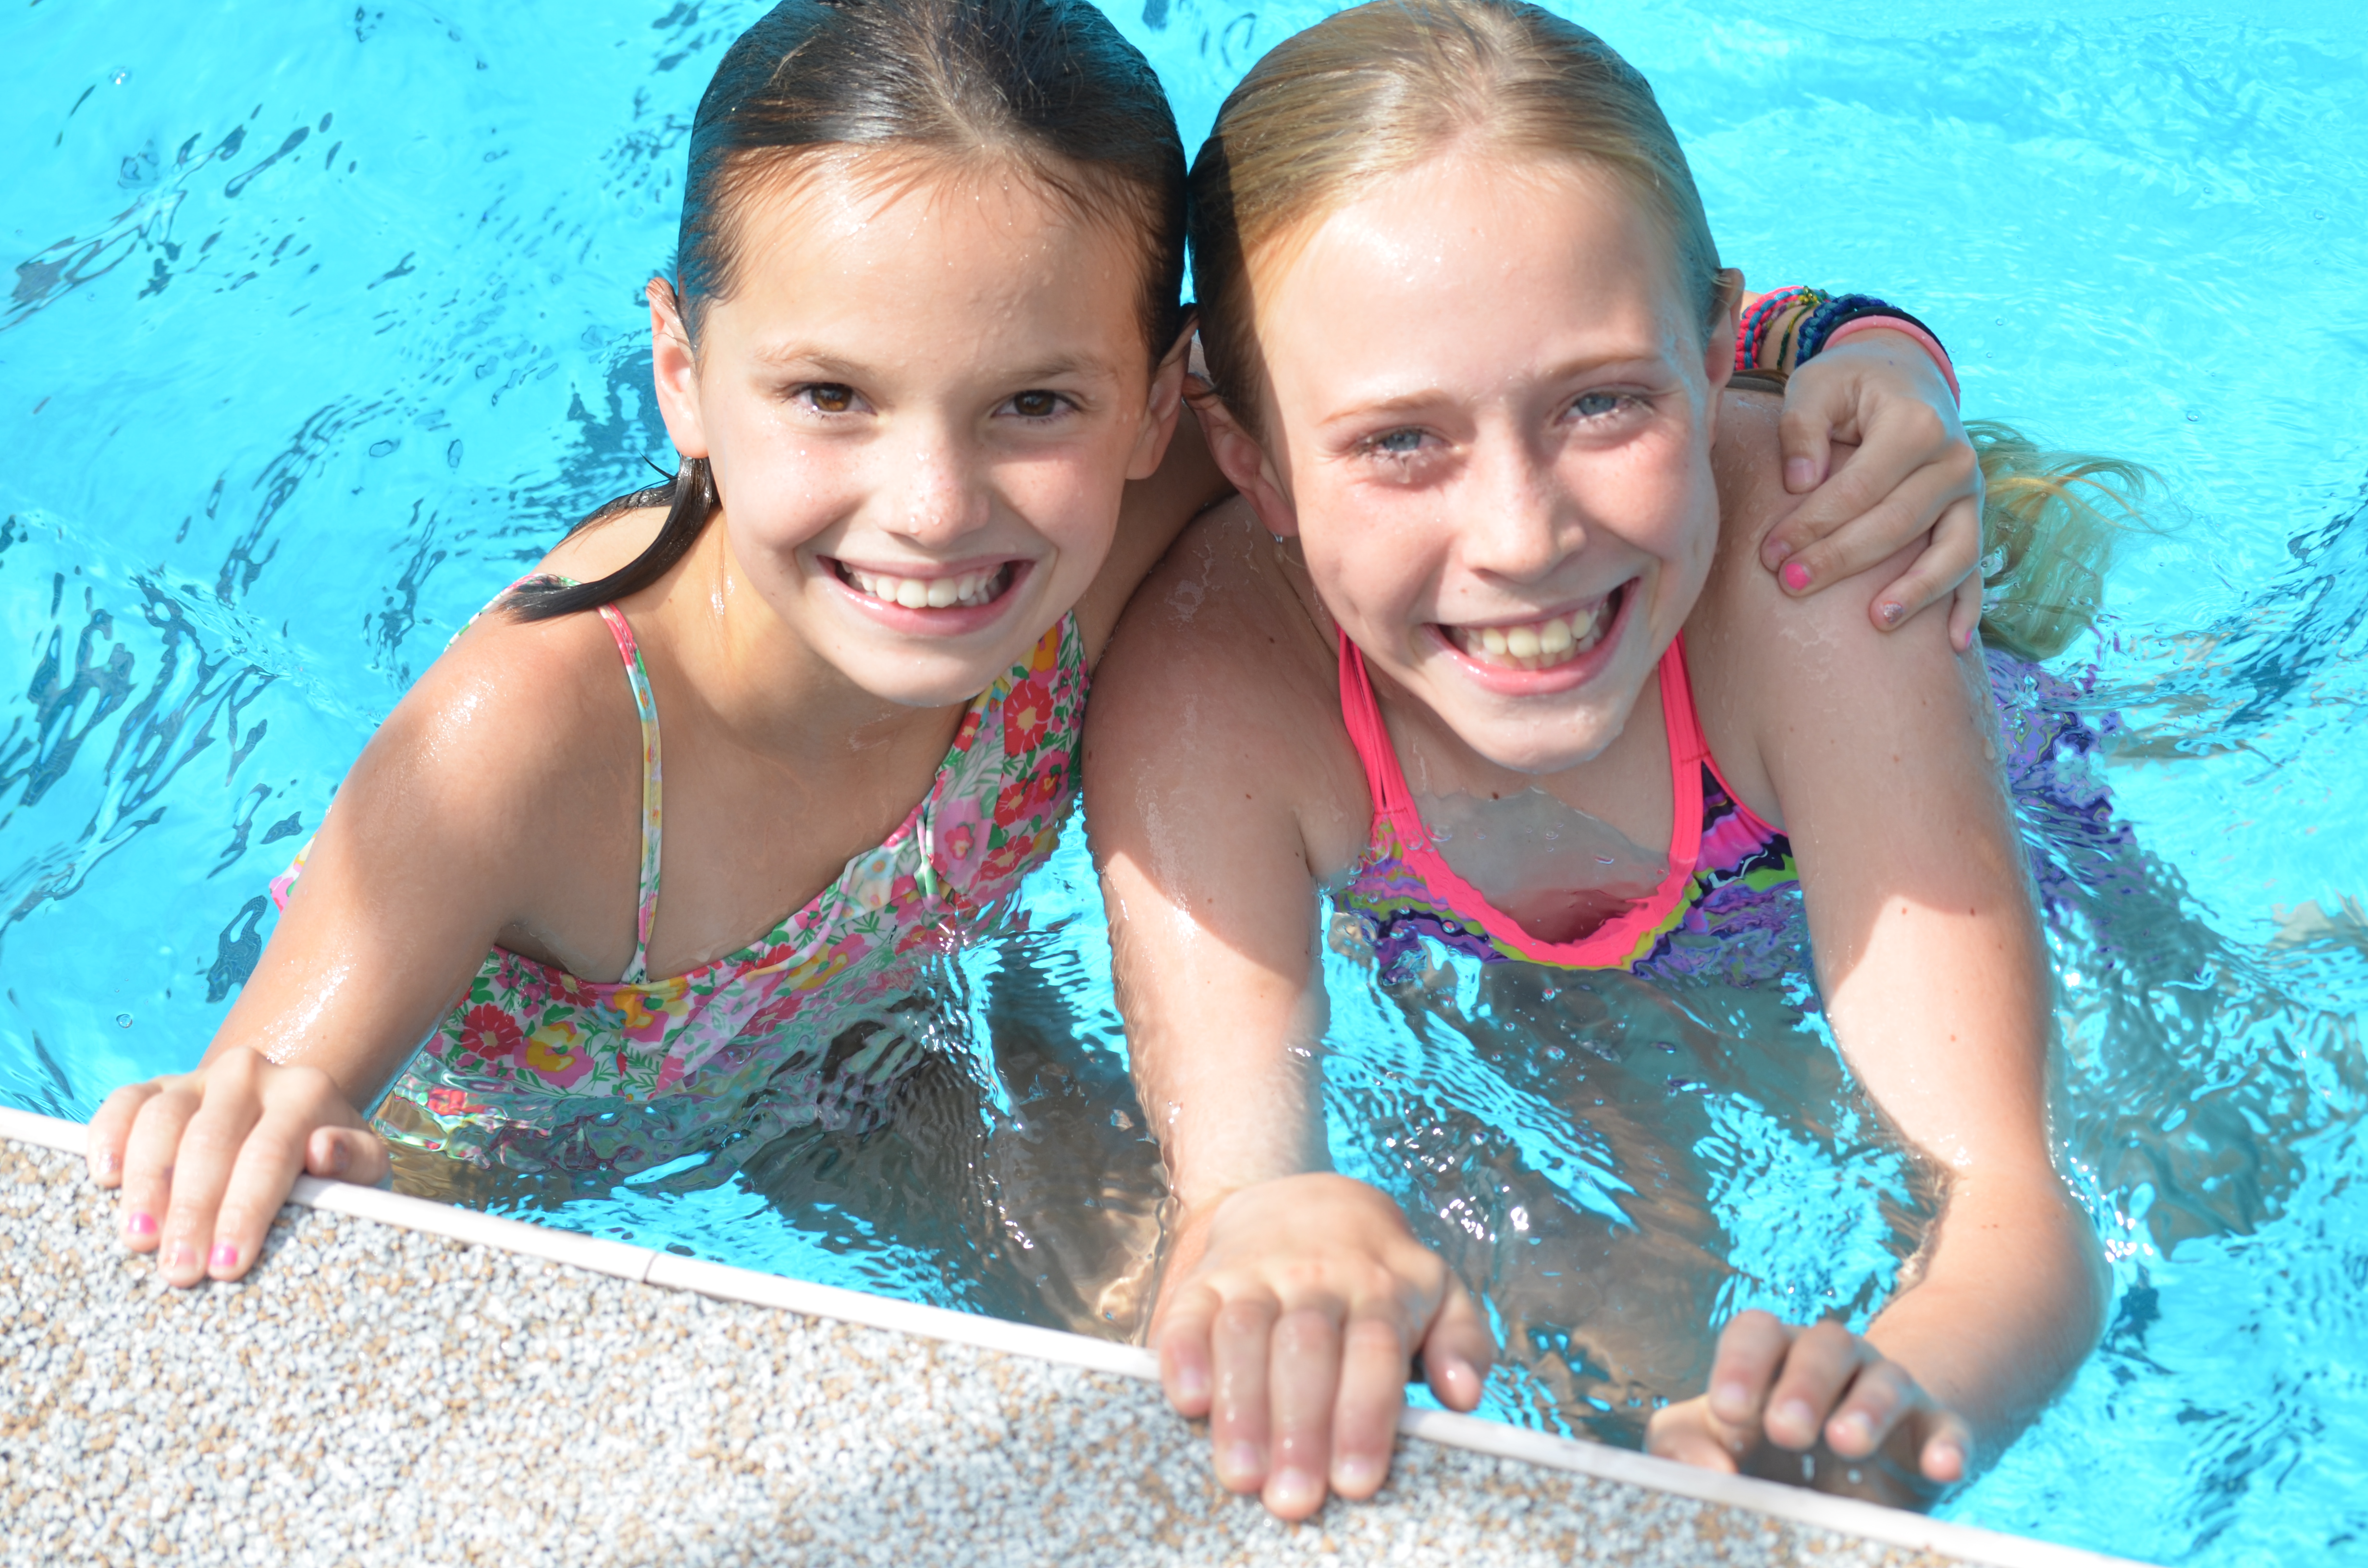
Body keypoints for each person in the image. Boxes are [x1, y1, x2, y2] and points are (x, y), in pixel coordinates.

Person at [87, 0, 1980, 1292]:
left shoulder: (1124, 501)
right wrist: (242, 1123)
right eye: (828, 395)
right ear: (679, 368)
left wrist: (1869, 367)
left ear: (1164, 404)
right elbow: (270, 1092)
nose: (933, 507)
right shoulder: (534, 730)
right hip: (516, 1158)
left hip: (877, 1057)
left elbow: (1538, 348)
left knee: (1236, 1318)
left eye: (1033, 405)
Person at [1085, 0, 2118, 1522]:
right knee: (1583, 1323)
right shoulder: (1208, 696)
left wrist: (1895, 1411)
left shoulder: (1819, 588)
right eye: (1399, 443)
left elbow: (2014, 1199)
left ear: (1715, 351)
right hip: (1528, 980)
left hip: (1905, 860)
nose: (1523, 537)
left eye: (1603, 403)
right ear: (1253, 462)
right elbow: (1235, 1201)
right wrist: (1278, 1251)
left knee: (2212, 1161)